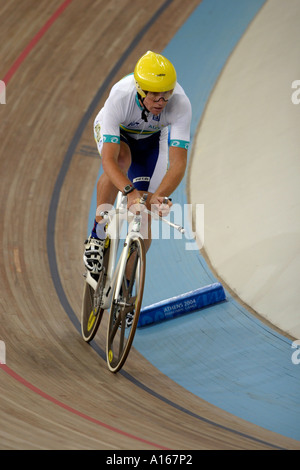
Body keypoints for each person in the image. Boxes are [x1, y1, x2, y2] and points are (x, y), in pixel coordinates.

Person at [83, 50, 192, 282]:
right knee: (121, 161)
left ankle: (126, 286)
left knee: (146, 213)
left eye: (166, 96)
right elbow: (109, 161)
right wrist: (129, 192)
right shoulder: (120, 96)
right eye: (155, 97)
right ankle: (97, 234)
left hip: (152, 142)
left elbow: (179, 163)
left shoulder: (180, 103)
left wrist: (159, 196)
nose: (162, 102)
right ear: (141, 91)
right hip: (119, 135)